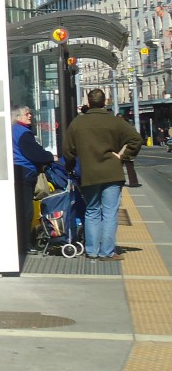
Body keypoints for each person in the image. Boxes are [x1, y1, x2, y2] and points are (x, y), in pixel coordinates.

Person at [64, 89, 142, 260]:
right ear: (105, 102)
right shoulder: (115, 122)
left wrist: (71, 165)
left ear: (89, 102)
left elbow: (68, 150)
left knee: (92, 211)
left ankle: (91, 250)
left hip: (89, 173)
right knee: (110, 213)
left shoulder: (77, 123)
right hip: (112, 173)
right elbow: (136, 139)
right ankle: (107, 251)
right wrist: (122, 155)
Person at [12, 105, 54, 263]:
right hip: (24, 174)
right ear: (17, 117)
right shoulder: (23, 133)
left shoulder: (12, 130)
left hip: (17, 173)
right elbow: (34, 153)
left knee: (20, 210)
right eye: (26, 114)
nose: (30, 116)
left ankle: (21, 242)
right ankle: (25, 244)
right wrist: (50, 157)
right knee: (26, 211)